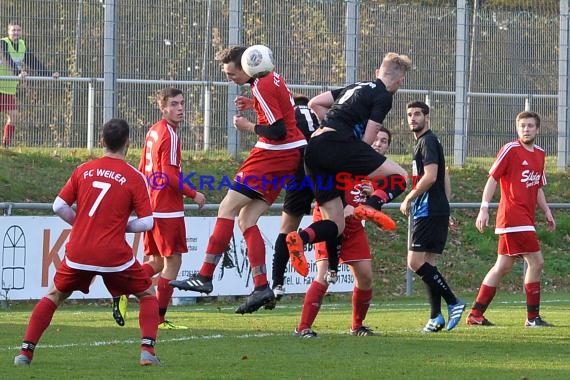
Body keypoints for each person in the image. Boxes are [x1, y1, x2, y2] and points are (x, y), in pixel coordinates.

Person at [170, 46, 306, 314]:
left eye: (232, 74)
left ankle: (205, 276)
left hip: (274, 154)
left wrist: (248, 126)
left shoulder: (261, 86)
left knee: (226, 208)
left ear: (247, 67)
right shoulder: (270, 78)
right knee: (247, 219)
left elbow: (277, 130)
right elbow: (283, 114)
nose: (230, 78)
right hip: (291, 154)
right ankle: (261, 286)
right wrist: (253, 105)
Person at [14, 119, 161, 367]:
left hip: (79, 250)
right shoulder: (134, 177)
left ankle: (25, 352)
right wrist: (119, 226)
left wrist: (81, 223)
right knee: (147, 294)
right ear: (128, 143)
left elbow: (58, 206)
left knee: (54, 295)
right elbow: (146, 223)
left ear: (101, 141)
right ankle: (147, 351)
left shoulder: (83, 169)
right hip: (113, 253)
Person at [285, 52, 411, 278]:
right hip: (337, 145)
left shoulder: (355, 86)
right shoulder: (384, 95)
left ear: (377, 72)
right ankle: (371, 206)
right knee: (400, 177)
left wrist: (336, 127)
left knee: (336, 224)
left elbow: (316, 103)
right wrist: (354, 150)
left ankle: (300, 238)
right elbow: (371, 134)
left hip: (313, 149)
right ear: (400, 81)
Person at [118, 87, 205, 330]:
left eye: (182, 103)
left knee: (156, 261)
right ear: (162, 107)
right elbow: (167, 174)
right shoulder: (169, 134)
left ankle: (124, 289)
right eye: (174, 104)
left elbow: (142, 167)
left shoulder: (154, 131)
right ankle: (159, 318)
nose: (180, 108)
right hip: (167, 207)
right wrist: (193, 193)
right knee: (173, 261)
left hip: (152, 205)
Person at [295, 128, 392, 338]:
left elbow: (374, 204)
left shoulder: (377, 170)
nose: (378, 144)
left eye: (383, 141)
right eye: (375, 139)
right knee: (324, 276)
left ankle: (357, 326)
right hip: (329, 222)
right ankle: (303, 327)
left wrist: (371, 199)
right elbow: (322, 184)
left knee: (365, 276)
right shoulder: (345, 154)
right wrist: (339, 207)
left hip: (354, 228)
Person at [467, 111, 556, 327]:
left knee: (503, 266)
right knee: (536, 261)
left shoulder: (540, 154)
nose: (526, 129)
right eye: (522, 126)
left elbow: (538, 187)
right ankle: (532, 318)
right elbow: (492, 179)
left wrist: (546, 211)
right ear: (517, 129)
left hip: (525, 218)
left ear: (538, 129)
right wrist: (484, 208)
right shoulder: (510, 149)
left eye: (530, 126)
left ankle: (476, 314)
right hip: (513, 217)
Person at [399, 101, 465, 333]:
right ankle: (436, 317)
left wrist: (409, 197)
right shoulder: (428, 141)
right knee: (429, 264)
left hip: (427, 209)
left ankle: (454, 302)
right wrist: (444, 208)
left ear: (427, 117)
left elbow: (430, 176)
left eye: (417, 114)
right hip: (435, 209)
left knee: (415, 262)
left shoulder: (427, 140)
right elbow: (444, 175)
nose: (412, 118)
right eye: (409, 114)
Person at [270, 93, 319, 299]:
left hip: (298, 171)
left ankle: (278, 283)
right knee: (335, 220)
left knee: (286, 228)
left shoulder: (289, 113)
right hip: (320, 169)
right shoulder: (317, 114)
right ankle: (332, 266)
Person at [0, 20, 60, 147]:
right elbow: (7, 59)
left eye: (18, 30)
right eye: (13, 30)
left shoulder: (22, 45)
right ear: (8, 32)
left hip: (8, 89)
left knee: (14, 116)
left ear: (21, 32)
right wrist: (18, 72)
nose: (16, 32)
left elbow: (33, 62)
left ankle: (5, 146)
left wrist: (49, 74)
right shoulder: (3, 43)